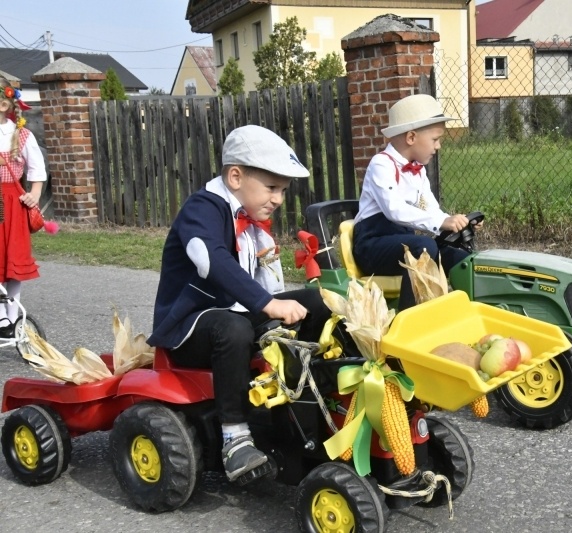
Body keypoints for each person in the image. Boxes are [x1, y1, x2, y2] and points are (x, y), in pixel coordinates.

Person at [147, 125, 332, 484]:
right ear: (235, 176)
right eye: (272, 187)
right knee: (235, 327)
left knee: (314, 301)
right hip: (189, 327)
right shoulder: (202, 210)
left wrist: (280, 303)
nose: (278, 198)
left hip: (236, 313)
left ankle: (309, 400)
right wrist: (266, 304)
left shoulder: (251, 219)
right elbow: (211, 260)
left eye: (282, 190)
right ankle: (235, 438)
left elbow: (264, 276)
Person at [352, 94, 470, 310]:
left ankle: (460, 312)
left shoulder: (418, 172)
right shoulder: (382, 165)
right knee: (423, 247)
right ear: (411, 137)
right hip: (373, 246)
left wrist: (457, 222)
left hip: (403, 243)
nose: (438, 146)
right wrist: (442, 222)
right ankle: (409, 318)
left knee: (459, 257)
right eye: (435, 139)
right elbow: (394, 211)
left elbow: (431, 208)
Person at [0, 78, 46, 338]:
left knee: (13, 259)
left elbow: (36, 169)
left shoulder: (22, 135)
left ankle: (11, 316)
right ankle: (0, 318)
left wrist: (35, 193)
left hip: (12, 203)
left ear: (5, 103)